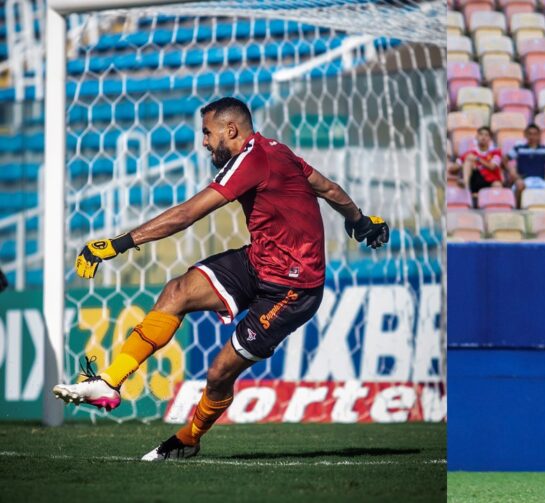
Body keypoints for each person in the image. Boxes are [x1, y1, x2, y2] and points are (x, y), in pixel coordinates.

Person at [52, 97, 390, 461]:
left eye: (207, 133)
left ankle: (188, 438)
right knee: (177, 290)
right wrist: (359, 219)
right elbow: (328, 188)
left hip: (293, 288)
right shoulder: (277, 151)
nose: (204, 142)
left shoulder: (252, 158)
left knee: (218, 373)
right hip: (259, 262)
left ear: (231, 130)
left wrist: (117, 244)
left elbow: (186, 214)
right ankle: (108, 382)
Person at [506, 124, 545, 193]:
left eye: (535, 134)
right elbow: (505, 159)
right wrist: (511, 170)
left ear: (539, 135)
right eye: (530, 134)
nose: (532, 136)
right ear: (526, 135)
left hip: (541, 181)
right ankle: (519, 204)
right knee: (519, 186)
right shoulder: (519, 148)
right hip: (525, 180)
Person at [459, 126, 504, 193]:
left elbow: (492, 167)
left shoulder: (496, 152)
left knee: (497, 185)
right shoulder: (470, 153)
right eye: (481, 134)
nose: (483, 137)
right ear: (476, 137)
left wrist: (477, 159)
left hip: (490, 180)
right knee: (468, 161)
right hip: (474, 179)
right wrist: (464, 164)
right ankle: (466, 186)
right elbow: (452, 169)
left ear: (490, 138)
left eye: (486, 135)